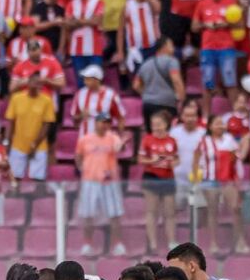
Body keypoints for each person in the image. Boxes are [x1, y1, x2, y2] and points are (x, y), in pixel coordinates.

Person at [192, 115, 247, 256]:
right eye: (217, 123)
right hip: (210, 180)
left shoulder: (230, 140)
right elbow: (196, 159)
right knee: (213, 211)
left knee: (236, 209)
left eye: (222, 123)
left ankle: (240, 241)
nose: (221, 126)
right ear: (210, 126)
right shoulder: (204, 141)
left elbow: (237, 159)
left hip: (228, 179)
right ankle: (213, 243)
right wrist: (196, 178)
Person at [75, 112, 127, 257]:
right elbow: (78, 157)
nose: (104, 125)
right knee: (88, 214)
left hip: (110, 181)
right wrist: (85, 170)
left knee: (114, 213)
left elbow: (119, 148)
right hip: (90, 181)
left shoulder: (113, 137)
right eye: (102, 122)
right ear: (96, 123)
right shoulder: (85, 139)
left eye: (107, 122)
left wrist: (122, 144)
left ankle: (117, 244)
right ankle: (87, 243)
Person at [191, 0, 241, 116]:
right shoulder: (202, 4)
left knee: (230, 82)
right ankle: (205, 117)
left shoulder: (232, 2)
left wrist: (225, 24)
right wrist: (205, 25)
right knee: (207, 83)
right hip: (208, 48)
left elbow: (240, 24)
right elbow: (194, 27)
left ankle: (237, 115)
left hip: (227, 48)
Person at [139, 110, 179, 254]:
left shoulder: (171, 141)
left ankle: (172, 242)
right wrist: (152, 160)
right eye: (153, 124)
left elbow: (176, 158)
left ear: (166, 124)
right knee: (151, 211)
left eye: (159, 124)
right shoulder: (147, 139)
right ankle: (153, 244)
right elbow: (141, 159)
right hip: (151, 177)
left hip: (168, 177)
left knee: (169, 212)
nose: (156, 127)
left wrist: (172, 163)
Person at [5, 72, 56, 182]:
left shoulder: (47, 100)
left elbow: (46, 126)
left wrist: (34, 145)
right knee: (15, 179)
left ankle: (36, 199)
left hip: (39, 146)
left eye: (40, 84)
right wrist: (7, 143)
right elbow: (11, 123)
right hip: (18, 145)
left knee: (38, 181)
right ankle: (15, 199)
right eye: (35, 83)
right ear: (28, 83)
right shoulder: (16, 98)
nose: (38, 86)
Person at [133, 35, 185, 132]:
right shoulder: (172, 61)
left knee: (151, 135)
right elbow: (176, 80)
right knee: (167, 135)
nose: (173, 48)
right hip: (166, 104)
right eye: (171, 45)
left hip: (147, 104)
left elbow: (136, 85)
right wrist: (182, 99)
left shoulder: (146, 63)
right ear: (164, 46)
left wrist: (146, 94)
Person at [70, 64, 126, 136]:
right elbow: (74, 119)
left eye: (88, 79)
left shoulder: (111, 95)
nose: (85, 82)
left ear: (97, 80)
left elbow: (120, 118)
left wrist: (120, 137)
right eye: (84, 79)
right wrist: (81, 116)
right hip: (85, 139)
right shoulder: (80, 94)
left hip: (104, 140)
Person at [170, 100, 207, 205]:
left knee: (198, 210)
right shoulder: (174, 132)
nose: (190, 119)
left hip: (198, 178)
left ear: (197, 117)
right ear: (182, 117)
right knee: (175, 209)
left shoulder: (203, 134)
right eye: (187, 116)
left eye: (193, 116)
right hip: (178, 179)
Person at [65, 0, 106, 87]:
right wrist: (88, 21)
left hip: (94, 49)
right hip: (76, 50)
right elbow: (67, 24)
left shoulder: (97, 1)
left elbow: (97, 21)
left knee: (96, 81)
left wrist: (76, 21)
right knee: (81, 83)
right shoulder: (72, 3)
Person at [115, 0, 160, 75]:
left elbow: (157, 10)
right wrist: (120, 51)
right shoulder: (127, 5)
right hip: (135, 49)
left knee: (153, 75)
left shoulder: (150, 4)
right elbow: (121, 31)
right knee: (139, 76)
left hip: (152, 47)